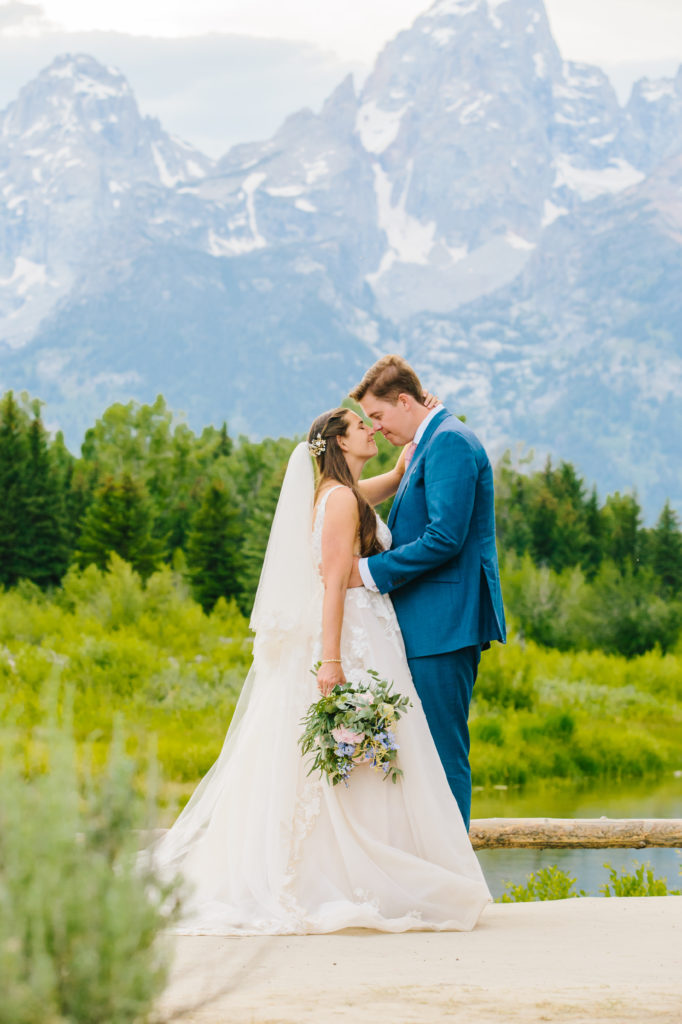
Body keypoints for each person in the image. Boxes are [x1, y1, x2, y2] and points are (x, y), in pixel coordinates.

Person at [146, 402, 491, 935]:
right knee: (355, 759)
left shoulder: (345, 495)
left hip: (371, 631)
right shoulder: (338, 504)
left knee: (373, 756)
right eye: (360, 426)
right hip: (351, 634)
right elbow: (333, 584)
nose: (371, 429)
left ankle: (378, 867)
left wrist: (417, 434)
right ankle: (345, 875)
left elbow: (390, 481)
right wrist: (331, 660)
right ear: (338, 443)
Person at [349, 355, 506, 830]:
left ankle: (455, 880)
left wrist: (368, 572)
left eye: (378, 416)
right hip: (427, 624)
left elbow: (445, 538)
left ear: (403, 401)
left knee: (442, 756)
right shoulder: (431, 441)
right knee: (423, 757)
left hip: (444, 625)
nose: (375, 429)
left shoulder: (450, 442)